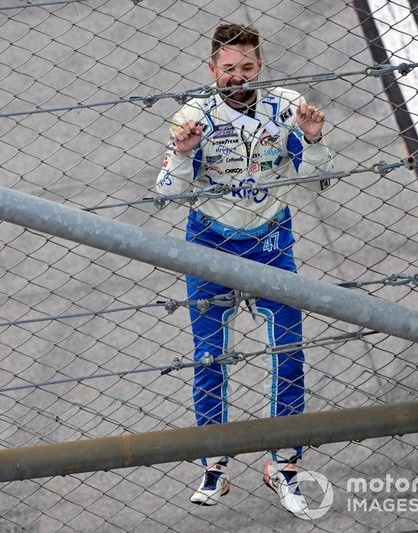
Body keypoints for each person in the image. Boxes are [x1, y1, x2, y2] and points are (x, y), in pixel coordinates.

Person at [155, 23, 334, 512]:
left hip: (272, 241)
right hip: (209, 244)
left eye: (248, 67)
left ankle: (285, 464)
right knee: (210, 358)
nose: (239, 77)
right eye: (229, 69)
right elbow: (167, 196)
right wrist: (182, 153)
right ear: (212, 71)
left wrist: (314, 141)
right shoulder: (192, 117)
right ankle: (214, 466)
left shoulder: (286, 107)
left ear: (261, 66)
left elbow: (319, 185)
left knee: (289, 354)